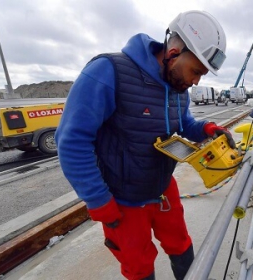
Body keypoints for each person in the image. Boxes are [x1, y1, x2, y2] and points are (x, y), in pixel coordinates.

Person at [55, 10, 234, 280]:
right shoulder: (107, 71)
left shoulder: (178, 87)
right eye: (196, 71)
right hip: (123, 202)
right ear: (174, 51)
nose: (196, 81)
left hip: (163, 191)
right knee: (138, 266)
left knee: (182, 246)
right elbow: (72, 141)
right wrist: (98, 200)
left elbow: (183, 123)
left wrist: (208, 129)